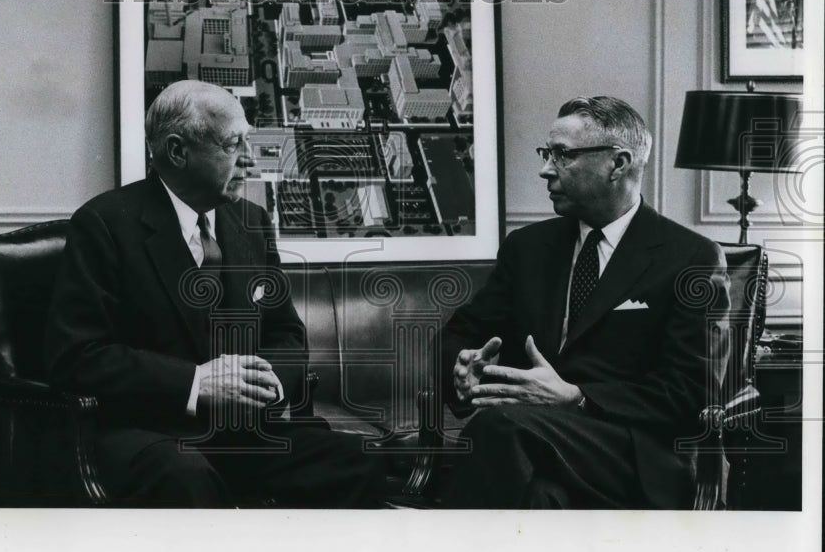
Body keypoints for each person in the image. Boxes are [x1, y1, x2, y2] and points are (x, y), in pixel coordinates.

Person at [45, 80, 384, 507]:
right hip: (150, 432)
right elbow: (77, 356)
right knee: (187, 479)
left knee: (354, 460)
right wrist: (194, 382)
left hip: (241, 430)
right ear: (177, 151)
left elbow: (287, 336)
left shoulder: (252, 222)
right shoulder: (105, 224)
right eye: (232, 145)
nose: (249, 159)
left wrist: (266, 383)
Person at [435, 96, 729, 509]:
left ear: (619, 163)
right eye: (546, 153)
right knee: (540, 498)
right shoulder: (528, 248)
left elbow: (693, 392)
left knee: (500, 426)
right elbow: (460, 334)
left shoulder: (690, 258)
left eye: (562, 155)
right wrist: (466, 372)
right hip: (535, 440)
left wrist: (577, 397)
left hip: (629, 449)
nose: (544, 169)